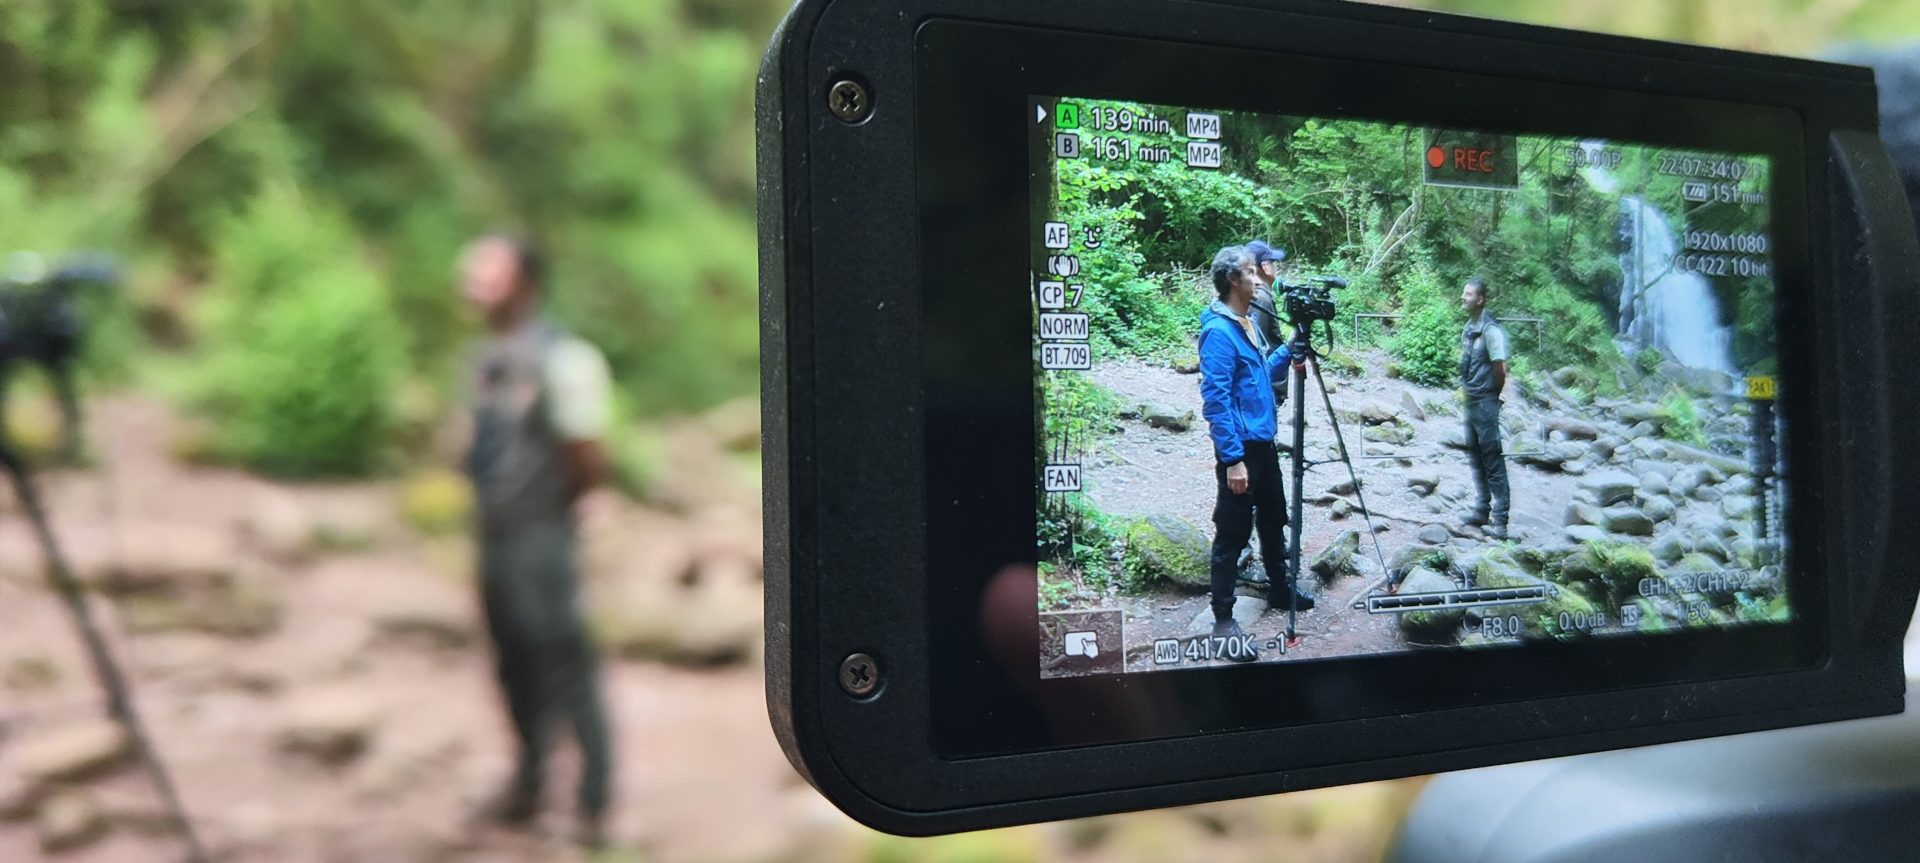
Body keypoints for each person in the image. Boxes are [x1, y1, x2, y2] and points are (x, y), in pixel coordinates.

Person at [459, 233, 615, 847]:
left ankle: (594, 804)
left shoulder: (564, 359)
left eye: (486, 274)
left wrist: (574, 508)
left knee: (564, 661)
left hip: (543, 532)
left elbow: (586, 450)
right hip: (495, 531)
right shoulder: (486, 358)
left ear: (525, 283)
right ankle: (529, 781)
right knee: (510, 658)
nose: (471, 285)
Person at [1199, 246, 1314, 662]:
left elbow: (1262, 374)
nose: (1260, 278)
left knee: (1272, 518)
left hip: (1263, 444)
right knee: (1231, 534)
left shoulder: (1248, 323)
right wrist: (1232, 459)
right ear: (1233, 280)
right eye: (1251, 271)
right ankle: (1223, 622)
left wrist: (1290, 349)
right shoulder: (1219, 330)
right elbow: (1216, 399)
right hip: (1241, 450)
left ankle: (1280, 588)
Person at [1459, 276, 1512, 540]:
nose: (1463, 297)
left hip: (1485, 403)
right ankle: (1482, 509)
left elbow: (1500, 369)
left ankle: (1500, 521)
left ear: (1480, 299)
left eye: (1468, 294)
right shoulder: (1469, 327)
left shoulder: (1492, 331)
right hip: (1471, 401)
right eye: (1464, 293)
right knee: (1476, 458)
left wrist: (1491, 395)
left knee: (1493, 460)